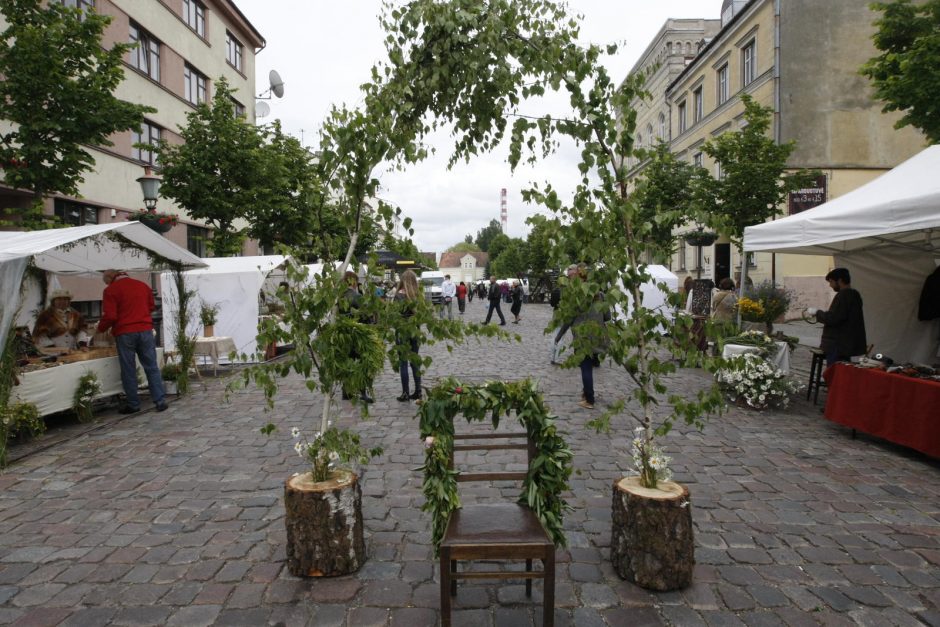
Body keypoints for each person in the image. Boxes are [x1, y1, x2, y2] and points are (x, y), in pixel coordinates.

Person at [97, 270, 167, 414]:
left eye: (106, 281)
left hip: (125, 332)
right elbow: (151, 306)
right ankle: (160, 400)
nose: (107, 284)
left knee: (128, 368)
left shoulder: (110, 290)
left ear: (111, 278)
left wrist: (100, 328)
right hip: (145, 330)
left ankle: (134, 404)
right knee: (151, 366)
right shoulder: (143, 286)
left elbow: (110, 316)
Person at [808, 267, 867, 366]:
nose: (830, 285)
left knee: (835, 373)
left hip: (839, 345)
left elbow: (833, 318)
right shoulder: (854, 294)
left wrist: (817, 312)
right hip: (848, 344)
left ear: (839, 280)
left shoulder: (844, 295)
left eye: (831, 282)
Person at [339, 270, 374, 403]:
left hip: (344, 334)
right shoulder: (356, 296)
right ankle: (362, 392)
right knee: (361, 363)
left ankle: (346, 391)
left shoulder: (340, 296)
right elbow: (365, 315)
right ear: (353, 282)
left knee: (347, 362)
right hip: (358, 334)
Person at [394, 270, 423, 401]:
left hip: (402, 331)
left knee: (403, 362)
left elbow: (395, 316)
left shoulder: (398, 296)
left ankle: (405, 392)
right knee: (415, 362)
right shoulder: (417, 296)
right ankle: (418, 391)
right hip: (415, 331)